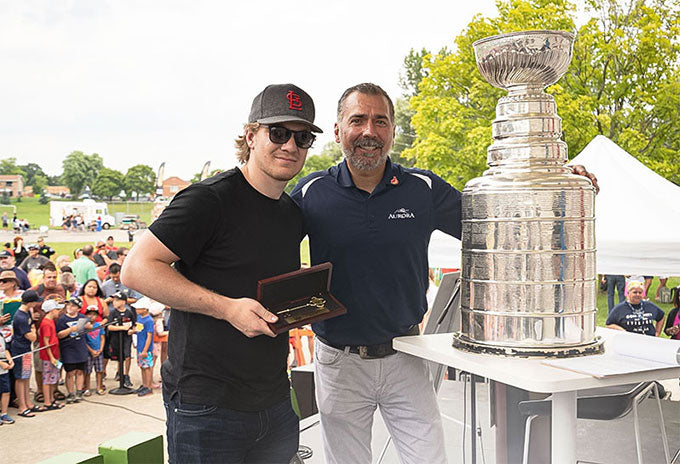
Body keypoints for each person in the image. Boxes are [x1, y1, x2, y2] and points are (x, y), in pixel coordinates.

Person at [290, 83, 599, 464]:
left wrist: (551, 181)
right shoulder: (310, 192)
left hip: (404, 353)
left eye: (380, 121)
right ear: (338, 131)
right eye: (358, 120)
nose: (369, 131)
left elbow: (495, 219)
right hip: (339, 362)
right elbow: (264, 244)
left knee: (429, 458)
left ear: (391, 131)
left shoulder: (422, 188)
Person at [121, 83, 322, 463]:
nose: (290, 146)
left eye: (303, 137)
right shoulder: (208, 199)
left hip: (275, 400)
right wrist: (226, 308)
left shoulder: (292, 213)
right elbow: (136, 269)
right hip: (207, 407)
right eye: (277, 133)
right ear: (250, 135)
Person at [12, 290, 41, 418]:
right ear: (30, 302)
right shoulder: (20, 316)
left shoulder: (27, 313)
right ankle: (22, 406)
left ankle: (28, 402)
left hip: (26, 348)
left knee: (26, 376)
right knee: (20, 378)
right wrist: (34, 331)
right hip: (20, 349)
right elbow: (31, 336)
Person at [56, 295, 89, 403]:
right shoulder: (62, 319)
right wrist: (70, 329)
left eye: (73, 305)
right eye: (68, 304)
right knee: (70, 372)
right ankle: (70, 392)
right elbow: (59, 335)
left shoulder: (82, 317)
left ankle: (79, 392)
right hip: (68, 349)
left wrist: (88, 325)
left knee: (80, 371)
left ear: (78, 308)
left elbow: (89, 328)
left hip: (80, 347)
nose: (70, 307)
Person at [37, 299, 65, 411]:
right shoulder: (46, 323)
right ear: (52, 310)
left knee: (52, 377)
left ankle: (51, 399)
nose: (58, 312)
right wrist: (52, 357)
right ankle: (47, 402)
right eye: (57, 309)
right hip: (49, 356)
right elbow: (46, 342)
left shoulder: (50, 321)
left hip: (54, 353)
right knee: (47, 379)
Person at [107, 291, 136, 388]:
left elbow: (134, 325)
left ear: (123, 302)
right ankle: (119, 372)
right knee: (119, 357)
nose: (114, 302)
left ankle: (126, 375)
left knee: (127, 356)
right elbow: (109, 327)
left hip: (126, 338)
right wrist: (122, 328)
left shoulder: (129, 313)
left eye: (117, 300)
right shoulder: (112, 313)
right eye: (114, 300)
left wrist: (132, 330)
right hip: (115, 338)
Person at [132, 297, 155, 397]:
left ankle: (149, 387)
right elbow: (139, 329)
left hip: (145, 348)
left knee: (147, 367)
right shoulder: (140, 318)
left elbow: (149, 336)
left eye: (138, 308)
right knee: (142, 366)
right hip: (140, 346)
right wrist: (133, 332)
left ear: (145, 309)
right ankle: (144, 384)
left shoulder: (149, 320)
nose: (136, 310)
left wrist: (145, 350)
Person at [83, 300, 106, 395]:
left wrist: (101, 349)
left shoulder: (99, 326)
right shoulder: (84, 327)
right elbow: (84, 341)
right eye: (89, 314)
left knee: (99, 370)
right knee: (87, 371)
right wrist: (91, 350)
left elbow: (102, 337)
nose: (91, 316)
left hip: (99, 351)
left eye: (94, 314)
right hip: (89, 352)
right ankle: (87, 387)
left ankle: (99, 386)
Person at [0, 328, 15, 424]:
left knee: (6, 391)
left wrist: (10, 359)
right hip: (1, 364)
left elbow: (5, 350)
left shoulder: (1, 335)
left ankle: (4, 413)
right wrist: (1, 363)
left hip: (4, 369)